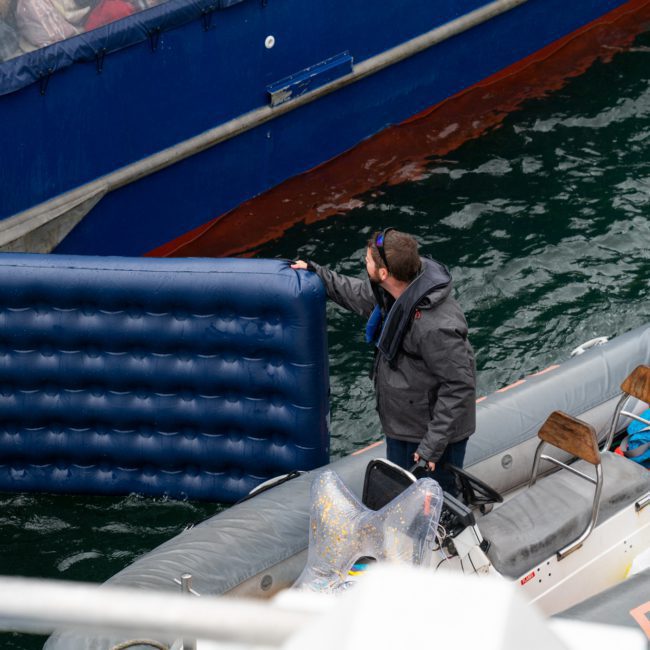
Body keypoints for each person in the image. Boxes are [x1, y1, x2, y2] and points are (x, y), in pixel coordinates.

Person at [291, 228, 476, 496]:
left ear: (384, 274)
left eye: (367, 261)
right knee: (402, 495)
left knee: (436, 502)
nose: (363, 264)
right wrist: (317, 272)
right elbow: (356, 293)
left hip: (431, 437)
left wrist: (431, 448)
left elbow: (459, 385)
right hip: (404, 424)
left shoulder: (435, 327)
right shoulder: (396, 293)